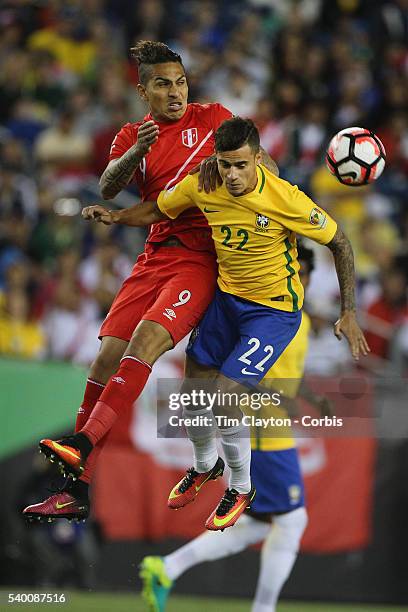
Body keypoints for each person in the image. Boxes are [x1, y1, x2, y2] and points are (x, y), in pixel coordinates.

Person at [46, 117, 368, 531]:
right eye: (224, 163)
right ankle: (203, 466)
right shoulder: (205, 182)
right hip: (227, 303)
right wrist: (117, 216)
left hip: (271, 313)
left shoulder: (287, 199)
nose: (231, 174)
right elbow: (160, 209)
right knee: (192, 394)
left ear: (258, 160)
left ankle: (241, 487)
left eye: (240, 165)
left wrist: (350, 311)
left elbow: (340, 242)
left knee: (225, 397)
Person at [23, 41, 276, 524]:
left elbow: (268, 167)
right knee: (105, 356)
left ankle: (81, 444)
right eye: (163, 84)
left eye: (180, 82)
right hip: (154, 256)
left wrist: (239, 173)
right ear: (144, 92)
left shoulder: (216, 119)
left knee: (145, 342)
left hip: (201, 259)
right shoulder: (133, 135)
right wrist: (136, 152)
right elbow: (108, 185)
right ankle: (74, 490)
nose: (176, 92)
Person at [139, 244, 316, 612]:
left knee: (258, 524)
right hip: (266, 437)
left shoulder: (293, 319)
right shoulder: (279, 318)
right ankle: (262, 609)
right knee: (292, 520)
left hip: (263, 432)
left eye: (299, 273)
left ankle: (167, 567)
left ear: (309, 279)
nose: (293, 279)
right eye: (292, 272)